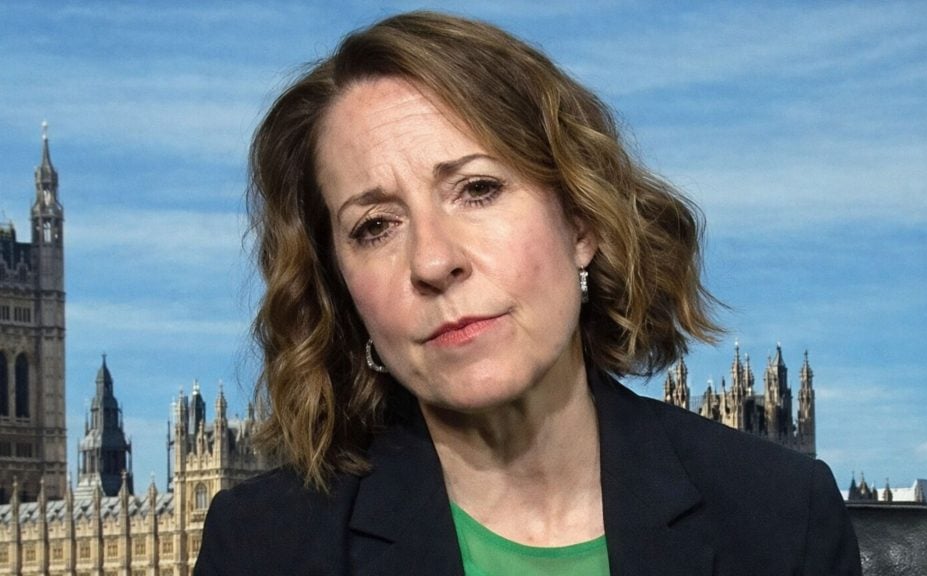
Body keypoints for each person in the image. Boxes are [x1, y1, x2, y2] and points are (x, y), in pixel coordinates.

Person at [195, 11, 861, 576]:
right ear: (343, 289)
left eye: (478, 189)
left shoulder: (778, 517)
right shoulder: (265, 547)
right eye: (375, 227)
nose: (433, 259)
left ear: (581, 221)